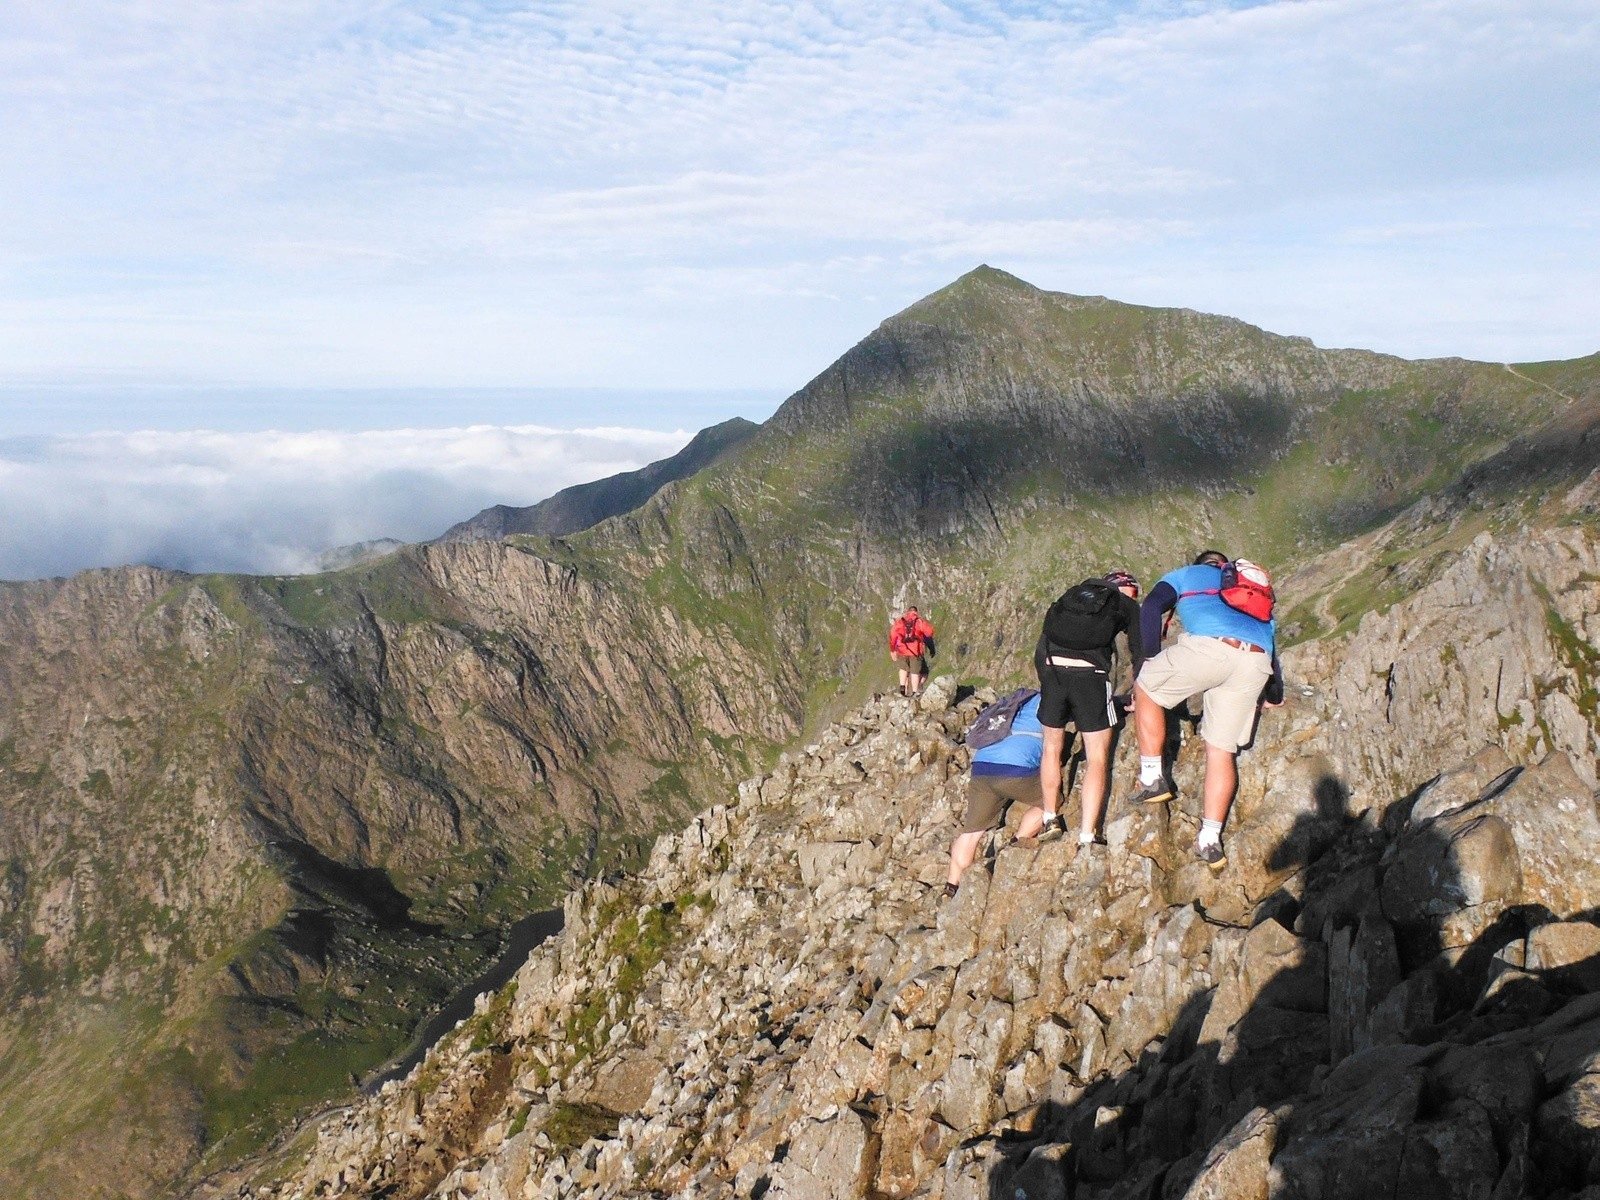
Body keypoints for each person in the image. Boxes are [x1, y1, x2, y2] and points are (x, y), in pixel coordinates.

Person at [1127, 550, 1284, 869]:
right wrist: (1275, 694)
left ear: (1200, 564)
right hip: (1254, 664)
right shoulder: (1254, 595)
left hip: (1211, 648)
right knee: (1221, 751)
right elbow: (1271, 650)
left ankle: (1152, 778)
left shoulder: (1186, 574)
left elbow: (1152, 607)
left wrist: (1149, 658)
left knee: (1147, 688)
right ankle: (1210, 840)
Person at [1031, 570, 1144, 849]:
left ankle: (1050, 817)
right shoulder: (1126, 606)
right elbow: (1140, 651)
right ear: (1124, 588)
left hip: (1052, 672)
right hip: (1090, 676)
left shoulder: (1071, 597)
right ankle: (1087, 835)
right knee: (1096, 757)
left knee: (1051, 748)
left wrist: (1048, 680)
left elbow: (1043, 641)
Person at [945, 690, 1056, 897]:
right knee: (1050, 801)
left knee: (971, 834)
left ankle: (950, 888)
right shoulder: (1055, 698)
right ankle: (1015, 844)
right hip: (1015, 768)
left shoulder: (1023, 699)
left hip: (982, 765)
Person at [889, 605, 935, 696]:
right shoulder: (919, 622)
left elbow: (892, 636)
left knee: (903, 669)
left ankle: (902, 688)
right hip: (915, 652)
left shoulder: (900, 621)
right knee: (915, 672)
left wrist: (892, 649)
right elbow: (930, 632)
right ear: (916, 612)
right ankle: (915, 692)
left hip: (902, 650)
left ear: (907, 612)